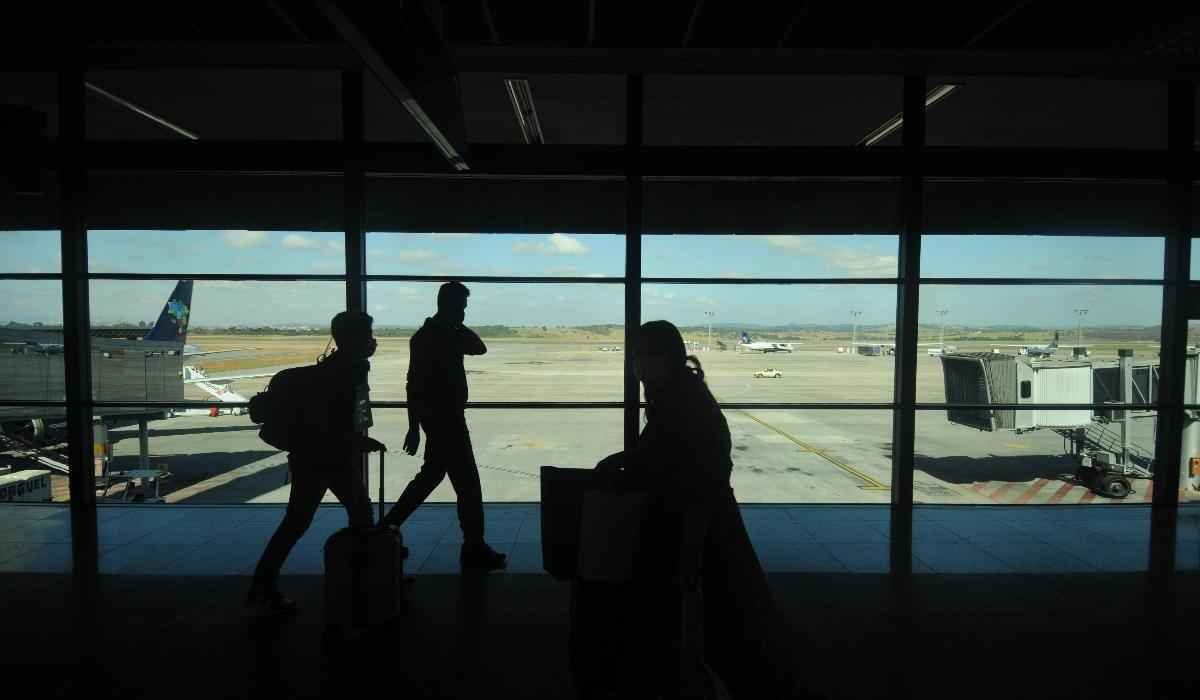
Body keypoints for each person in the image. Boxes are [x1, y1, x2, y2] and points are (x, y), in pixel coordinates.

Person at [593, 320, 793, 697]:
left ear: (668, 357)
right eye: (636, 356)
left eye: (647, 356)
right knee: (734, 612)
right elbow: (666, 454)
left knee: (721, 617)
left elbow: (684, 464)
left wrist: (625, 466)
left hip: (699, 520)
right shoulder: (679, 393)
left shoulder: (678, 402)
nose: (638, 365)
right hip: (706, 516)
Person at [247, 310, 386, 615]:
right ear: (354, 338)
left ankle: (262, 585)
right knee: (358, 517)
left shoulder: (336, 370)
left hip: (312, 458)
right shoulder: (349, 373)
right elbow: (345, 422)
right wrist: (360, 440)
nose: (372, 341)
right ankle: (366, 581)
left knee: (298, 523)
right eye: (368, 335)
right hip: (330, 459)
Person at [381, 282, 507, 571]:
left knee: (430, 477)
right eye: (461, 307)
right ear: (447, 304)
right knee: (468, 485)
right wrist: (413, 426)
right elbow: (414, 383)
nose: (463, 312)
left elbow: (479, 348)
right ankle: (474, 546)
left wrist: (456, 325)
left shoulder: (437, 334)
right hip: (445, 419)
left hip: (440, 419)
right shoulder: (430, 337)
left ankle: (387, 527)